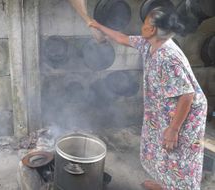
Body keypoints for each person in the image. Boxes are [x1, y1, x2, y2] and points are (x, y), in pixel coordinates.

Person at [89, 7, 208, 190]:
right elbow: (121, 38)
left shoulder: (168, 56)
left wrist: (174, 129)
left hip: (185, 112)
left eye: (144, 23)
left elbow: (187, 94)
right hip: (167, 106)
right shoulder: (149, 43)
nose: (141, 26)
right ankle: (164, 184)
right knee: (160, 148)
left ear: (152, 29)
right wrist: (97, 24)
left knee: (179, 156)